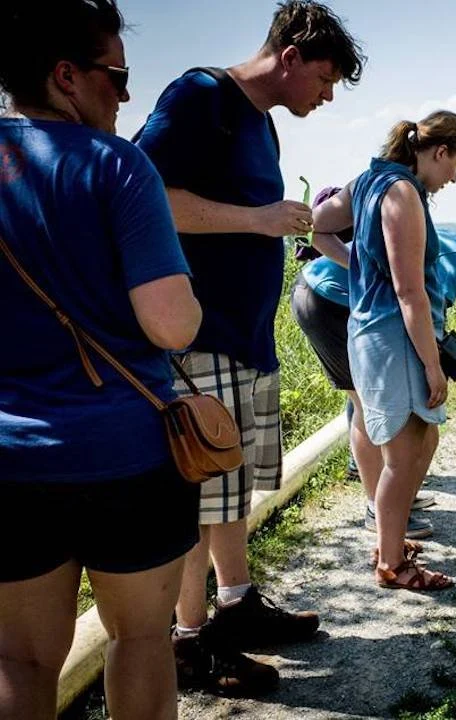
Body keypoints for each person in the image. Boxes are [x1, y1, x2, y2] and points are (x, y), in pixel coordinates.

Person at [134, 0, 364, 697]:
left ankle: (236, 605)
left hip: (241, 337)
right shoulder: (202, 95)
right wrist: (257, 219)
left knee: (230, 495)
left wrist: (263, 224)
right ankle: (190, 644)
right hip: (196, 339)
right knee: (202, 499)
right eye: (324, 80)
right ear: (290, 57)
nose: (326, 98)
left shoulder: (260, 120)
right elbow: (146, 195)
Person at [0, 2, 203, 717]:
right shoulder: (116, 165)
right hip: (128, 456)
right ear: (66, 77)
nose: (124, 95)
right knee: (142, 640)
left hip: (10, 463)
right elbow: (171, 325)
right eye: (117, 76)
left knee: (18, 662)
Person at [309, 110, 456, 590]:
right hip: (392, 336)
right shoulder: (402, 192)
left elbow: (317, 225)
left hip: (373, 331)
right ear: (438, 151)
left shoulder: (368, 181)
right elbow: (410, 293)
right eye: (455, 166)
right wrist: (432, 365)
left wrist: (358, 265)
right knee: (403, 458)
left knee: (419, 442)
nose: (453, 178)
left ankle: (390, 543)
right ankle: (392, 565)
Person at [296, 200, 456, 545]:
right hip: (331, 300)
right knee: (365, 402)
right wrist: (430, 368)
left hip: (319, 291)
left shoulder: (450, 242)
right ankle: (381, 508)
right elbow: (423, 312)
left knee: (362, 395)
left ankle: (387, 491)